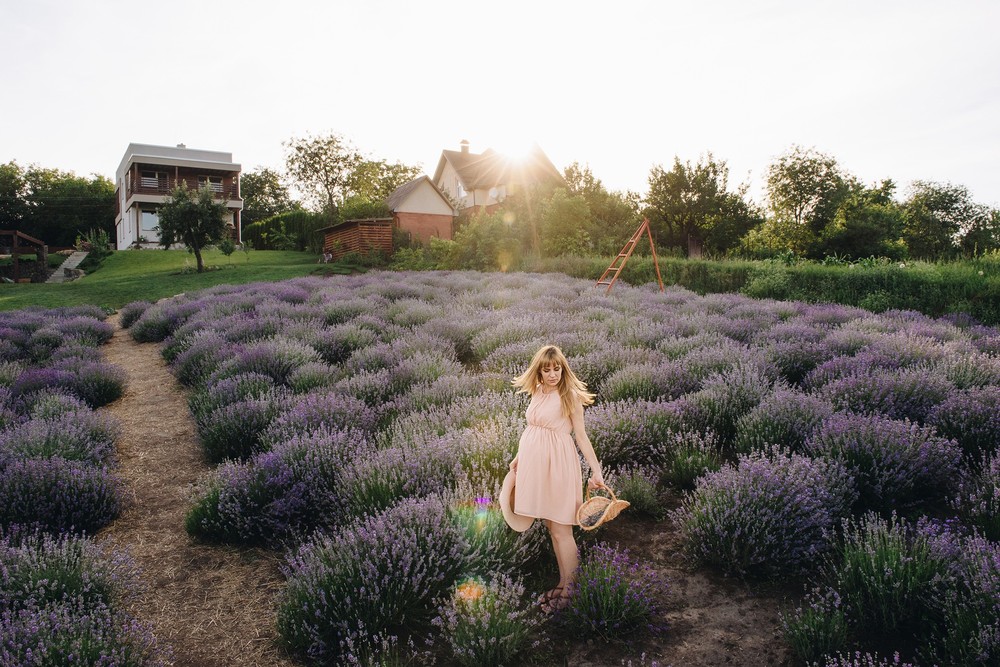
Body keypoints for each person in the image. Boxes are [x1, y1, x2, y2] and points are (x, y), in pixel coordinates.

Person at [506, 344, 605, 613]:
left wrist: (596, 471)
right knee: (552, 527)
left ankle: (572, 594)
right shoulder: (538, 392)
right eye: (547, 369)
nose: (553, 374)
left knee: (562, 529)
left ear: (563, 368)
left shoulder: (569, 396)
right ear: (538, 371)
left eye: (557, 368)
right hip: (536, 467)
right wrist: (518, 457)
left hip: (558, 466)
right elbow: (531, 428)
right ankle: (564, 583)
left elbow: (581, 437)